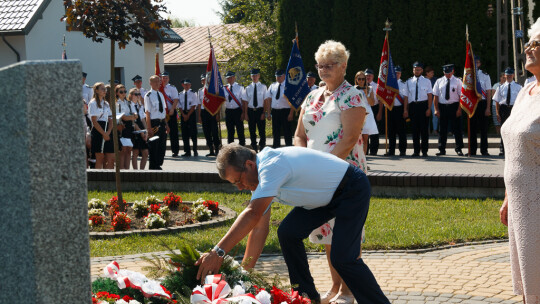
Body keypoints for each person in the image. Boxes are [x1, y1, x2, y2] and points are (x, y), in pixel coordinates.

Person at [195, 144, 390, 304]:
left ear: (249, 165)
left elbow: (252, 214)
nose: (239, 187)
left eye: (238, 180)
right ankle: (307, 297)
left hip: (351, 189)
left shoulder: (271, 166)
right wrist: (244, 274)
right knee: (288, 232)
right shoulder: (261, 177)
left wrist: (218, 252)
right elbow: (259, 227)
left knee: (343, 258)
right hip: (326, 197)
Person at [295, 41, 369, 304]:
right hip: (316, 175)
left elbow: (349, 139)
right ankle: (336, 286)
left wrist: (321, 168)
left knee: (345, 234)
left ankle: (349, 291)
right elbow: (299, 135)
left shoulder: (353, 96)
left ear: (344, 66)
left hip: (344, 174)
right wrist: (302, 160)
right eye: (320, 65)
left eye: (330, 65)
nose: (324, 70)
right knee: (327, 232)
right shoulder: (311, 95)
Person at [499, 19, 540, 304]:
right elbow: (514, 147)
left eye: (536, 44)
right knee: (527, 273)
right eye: (529, 43)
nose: (528, 48)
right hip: (519, 200)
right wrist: (506, 198)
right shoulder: (526, 92)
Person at [432, 64, 464, 156]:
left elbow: (461, 96)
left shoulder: (458, 81)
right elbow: (436, 96)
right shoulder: (439, 81)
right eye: (446, 73)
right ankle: (441, 149)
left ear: (453, 71)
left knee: (457, 129)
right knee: (442, 129)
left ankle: (459, 148)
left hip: (454, 106)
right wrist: (436, 109)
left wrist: (459, 109)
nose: (448, 75)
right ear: (443, 72)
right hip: (442, 106)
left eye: (449, 73)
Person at [493, 67, 523, 156]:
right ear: (505, 75)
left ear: (513, 75)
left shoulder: (519, 87)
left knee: (514, 129)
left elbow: (521, 100)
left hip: (514, 109)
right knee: (503, 129)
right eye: (507, 75)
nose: (509, 76)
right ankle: (503, 149)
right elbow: (497, 101)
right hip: (504, 109)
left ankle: (514, 149)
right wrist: (497, 113)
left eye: (510, 74)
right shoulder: (500, 87)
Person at [406, 61, 433, 157]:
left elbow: (430, 95)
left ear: (422, 70)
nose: (416, 71)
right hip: (413, 106)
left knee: (424, 130)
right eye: (415, 69)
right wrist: (406, 109)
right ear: (413, 70)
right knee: (415, 130)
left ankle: (425, 151)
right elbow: (406, 97)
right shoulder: (408, 81)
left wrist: (429, 108)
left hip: (423, 106)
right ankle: (416, 151)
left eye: (418, 69)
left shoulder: (427, 81)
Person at [470, 56, 493, 156]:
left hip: (482, 103)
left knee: (483, 128)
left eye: (477, 62)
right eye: (474, 62)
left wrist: (488, 107)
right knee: (472, 128)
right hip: (472, 103)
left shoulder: (485, 75)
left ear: (480, 64)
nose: (476, 64)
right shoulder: (468, 75)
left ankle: (484, 150)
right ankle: (472, 150)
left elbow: (488, 92)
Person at [88, 82, 114, 169]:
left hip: (107, 129)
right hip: (98, 130)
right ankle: (98, 179)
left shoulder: (106, 103)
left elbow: (110, 119)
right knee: (100, 158)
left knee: (110, 158)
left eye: (105, 89)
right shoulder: (93, 103)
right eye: (102, 89)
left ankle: (109, 179)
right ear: (96, 90)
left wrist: (109, 131)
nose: (105, 91)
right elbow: (94, 121)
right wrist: (104, 133)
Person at [144, 75, 168, 170]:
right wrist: (149, 128)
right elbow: (147, 113)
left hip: (162, 122)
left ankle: (158, 164)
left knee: (162, 145)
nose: (158, 84)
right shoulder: (148, 95)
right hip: (154, 123)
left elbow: (163, 112)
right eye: (155, 82)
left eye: (159, 82)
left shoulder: (161, 94)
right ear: (150, 83)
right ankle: (153, 166)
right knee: (154, 146)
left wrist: (166, 124)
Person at [266, 69, 294, 148]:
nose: (278, 78)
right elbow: (268, 99)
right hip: (275, 111)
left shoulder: (289, 86)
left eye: (280, 76)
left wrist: (291, 113)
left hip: (286, 111)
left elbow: (292, 101)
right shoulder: (272, 86)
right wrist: (268, 113)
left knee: (287, 131)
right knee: (275, 131)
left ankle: (289, 148)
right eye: (277, 76)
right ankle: (276, 147)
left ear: (284, 76)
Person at [242, 68, 267, 152]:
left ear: (259, 76)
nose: (254, 77)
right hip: (251, 111)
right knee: (252, 130)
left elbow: (265, 101)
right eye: (253, 76)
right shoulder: (248, 88)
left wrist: (264, 112)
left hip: (260, 111)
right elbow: (245, 102)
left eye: (256, 75)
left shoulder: (263, 87)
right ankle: (254, 146)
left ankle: (262, 146)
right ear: (251, 77)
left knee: (261, 130)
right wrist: (245, 113)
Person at [354, 70, 379, 157]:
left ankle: (363, 161)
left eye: (363, 79)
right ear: (356, 79)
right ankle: (356, 160)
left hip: (367, 114)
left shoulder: (370, 89)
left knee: (365, 139)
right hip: (356, 114)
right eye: (359, 79)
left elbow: (372, 103)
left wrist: (366, 93)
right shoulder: (353, 89)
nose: (361, 81)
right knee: (356, 139)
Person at [386, 66, 408, 156]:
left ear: (400, 74)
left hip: (400, 109)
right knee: (391, 131)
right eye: (395, 73)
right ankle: (391, 150)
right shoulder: (388, 84)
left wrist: (405, 110)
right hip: (390, 109)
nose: (397, 74)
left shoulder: (404, 84)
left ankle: (402, 150)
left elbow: (406, 98)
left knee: (401, 131)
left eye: (398, 73)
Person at [198, 74, 221, 156]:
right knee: (206, 132)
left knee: (214, 131)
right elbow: (199, 104)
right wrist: (200, 116)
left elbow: (217, 103)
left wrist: (218, 114)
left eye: (205, 80)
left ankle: (217, 149)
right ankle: (211, 149)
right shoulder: (200, 91)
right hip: (204, 113)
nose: (204, 81)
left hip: (212, 112)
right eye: (203, 80)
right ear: (201, 82)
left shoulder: (212, 90)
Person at [116, 84, 138, 169]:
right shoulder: (117, 103)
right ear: (117, 93)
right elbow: (123, 117)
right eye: (121, 92)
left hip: (129, 127)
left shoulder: (127, 102)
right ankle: (121, 170)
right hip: (122, 127)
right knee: (123, 150)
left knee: (129, 150)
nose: (123, 93)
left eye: (125, 91)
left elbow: (135, 114)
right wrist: (132, 117)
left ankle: (127, 170)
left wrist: (132, 116)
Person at [223, 71, 246, 146]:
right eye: (228, 78)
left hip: (237, 111)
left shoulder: (240, 87)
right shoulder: (224, 88)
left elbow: (243, 101)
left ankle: (242, 146)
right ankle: (230, 147)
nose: (229, 79)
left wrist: (243, 112)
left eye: (230, 77)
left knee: (240, 130)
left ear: (234, 77)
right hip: (229, 111)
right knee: (230, 130)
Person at [161, 72, 180, 157]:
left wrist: (172, 109)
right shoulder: (159, 88)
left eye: (166, 78)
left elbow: (176, 99)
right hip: (162, 113)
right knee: (162, 132)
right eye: (163, 77)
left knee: (173, 132)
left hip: (170, 111)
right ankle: (162, 150)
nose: (164, 79)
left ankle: (175, 151)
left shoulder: (172, 88)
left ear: (168, 79)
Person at [128, 88, 148, 170]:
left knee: (145, 153)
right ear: (131, 95)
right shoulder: (129, 105)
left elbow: (143, 119)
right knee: (135, 152)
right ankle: (135, 172)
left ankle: (142, 171)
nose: (138, 96)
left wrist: (146, 131)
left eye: (139, 94)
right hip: (135, 129)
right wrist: (140, 131)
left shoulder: (140, 105)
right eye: (136, 94)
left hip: (141, 128)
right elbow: (133, 121)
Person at [178, 79, 198, 157]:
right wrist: (183, 114)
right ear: (183, 85)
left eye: (188, 84)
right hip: (183, 113)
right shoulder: (180, 94)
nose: (186, 86)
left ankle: (195, 150)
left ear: (190, 85)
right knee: (184, 133)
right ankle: (187, 151)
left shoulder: (193, 93)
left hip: (191, 114)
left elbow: (194, 105)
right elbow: (179, 106)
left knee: (193, 133)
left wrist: (188, 115)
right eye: (185, 84)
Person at [365, 68, 382, 155]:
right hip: (364, 109)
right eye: (366, 75)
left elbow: (380, 101)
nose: (368, 77)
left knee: (374, 130)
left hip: (374, 108)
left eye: (370, 75)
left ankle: (374, 151)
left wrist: (379, 112)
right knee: (365, 131)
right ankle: (365, 150)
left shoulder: (377, 86)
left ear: (373, 76)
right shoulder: (361, 86)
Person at [424, 66, 438, 135]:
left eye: (433, 72)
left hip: (433, 100)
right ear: (427, 73)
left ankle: (435, 130)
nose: (433, 74)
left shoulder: (435, 80)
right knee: (426, 116)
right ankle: (427, 130)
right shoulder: (422, 80)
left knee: (435, 116)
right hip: (424, 100)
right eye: (431, 72)